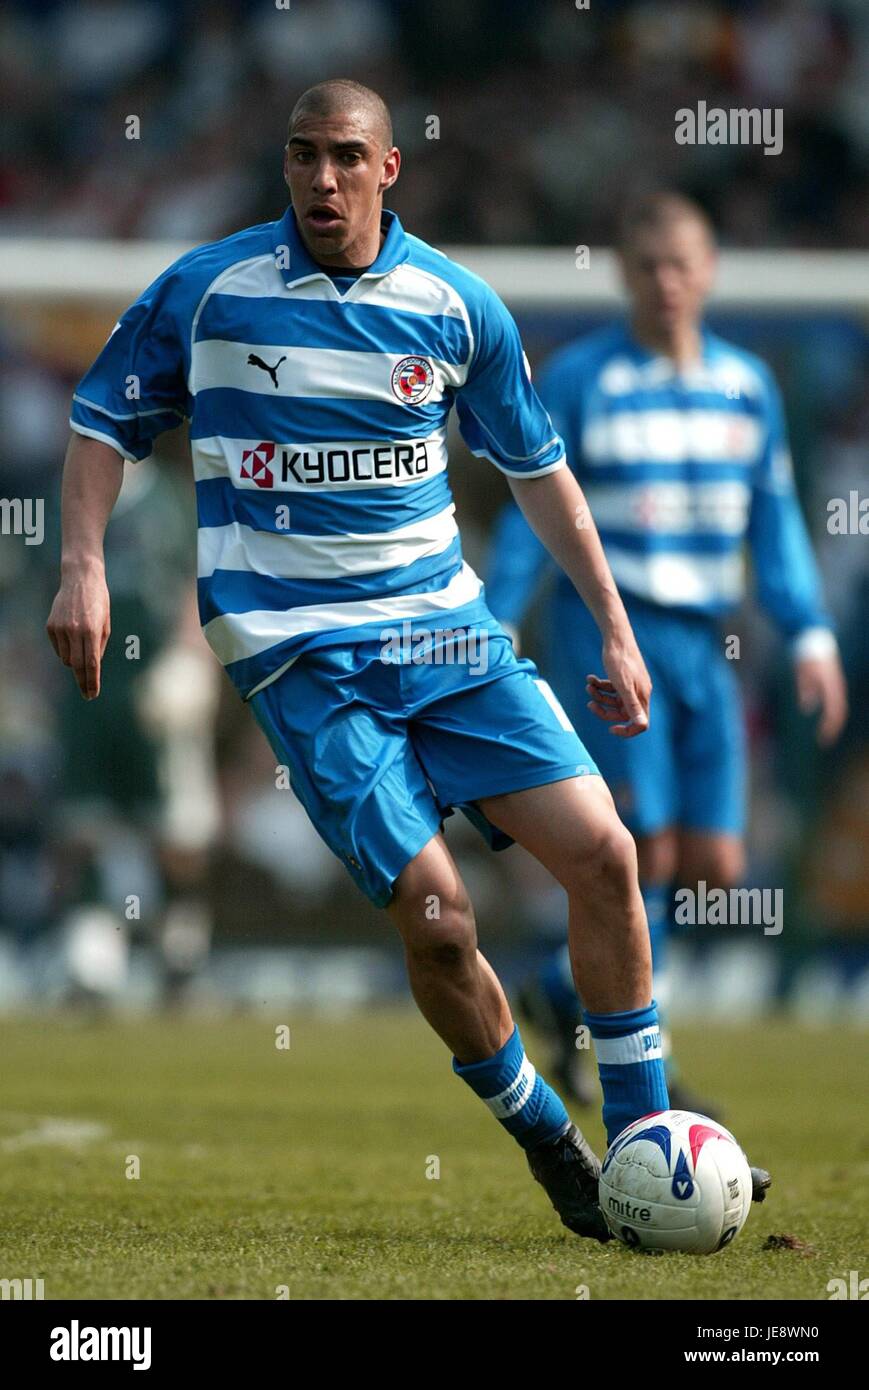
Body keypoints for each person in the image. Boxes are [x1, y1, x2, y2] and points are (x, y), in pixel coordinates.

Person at [47, 87, 768, 1240]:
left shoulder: (454, 304)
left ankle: (641, 1143)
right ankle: (549, 1137)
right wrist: (81, 565)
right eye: (300, 157)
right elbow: (98, 422)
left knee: (603, 855)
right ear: (283, 168)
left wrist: (615, 628)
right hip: (301, 658)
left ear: (390, 169)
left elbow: (538, 472)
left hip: (449, 637)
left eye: (344, 158)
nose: (320, 180)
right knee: (437, 919)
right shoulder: (207, 292)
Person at [486, 192, 848, 1113]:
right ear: (623, 274)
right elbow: (536, 513)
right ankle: (640, 1056)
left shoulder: (746, 386)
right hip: (610, 637)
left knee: (716, 865)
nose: (666, 282)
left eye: (682, 263)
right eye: (648, 266)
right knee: (640, 848)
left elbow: (771, 523)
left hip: (703, 647)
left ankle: (565, 993)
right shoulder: (578, 378)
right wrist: (490, 618)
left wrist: (806, 630)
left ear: (710, 269)